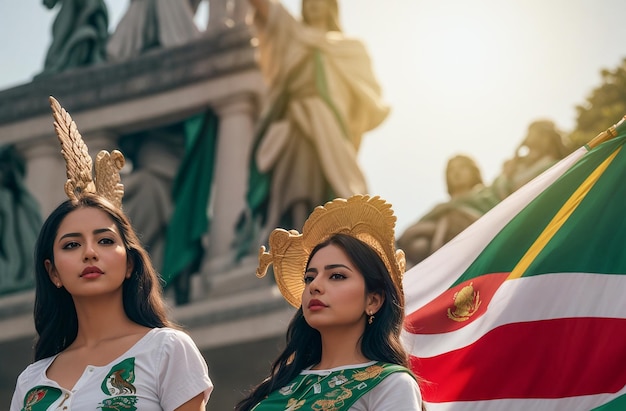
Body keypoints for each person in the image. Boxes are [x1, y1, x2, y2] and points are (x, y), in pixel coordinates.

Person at [9, 97, 213, 411]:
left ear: (130, 262)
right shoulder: (31, 382)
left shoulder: (165, 350)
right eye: (72, 245)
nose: (90, 253)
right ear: (53, 273)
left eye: (105, 241)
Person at [235, 195, 424, 410]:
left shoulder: (389, 384)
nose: (315, 286)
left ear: (373, 300)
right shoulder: (277, 385)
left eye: (337, 276)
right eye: (309, 278)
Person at [240, 0, 390, 251]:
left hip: (332, 128)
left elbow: (367, 98)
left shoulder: (350, 48)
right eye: (308, 1)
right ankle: (296, 239)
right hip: (295, 119)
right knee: (297, 169)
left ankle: (334, 241)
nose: (313, 5)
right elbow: (266, 7)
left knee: (339, 187)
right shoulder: (293, 34)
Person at [397, 155, 500, 267]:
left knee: (452, 217)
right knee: (419, 245)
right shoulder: (441, 208)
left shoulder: (484, 194)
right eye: (452, 170)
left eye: (462, 167)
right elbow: (409, 235)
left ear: (473, 171)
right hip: (443, 250)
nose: (456, 173)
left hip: (479, 239)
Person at [38, 0, 109, 77]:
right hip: (64, 50)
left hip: (84, 39)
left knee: (85, 35)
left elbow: (95, 9)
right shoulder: (66, 14)